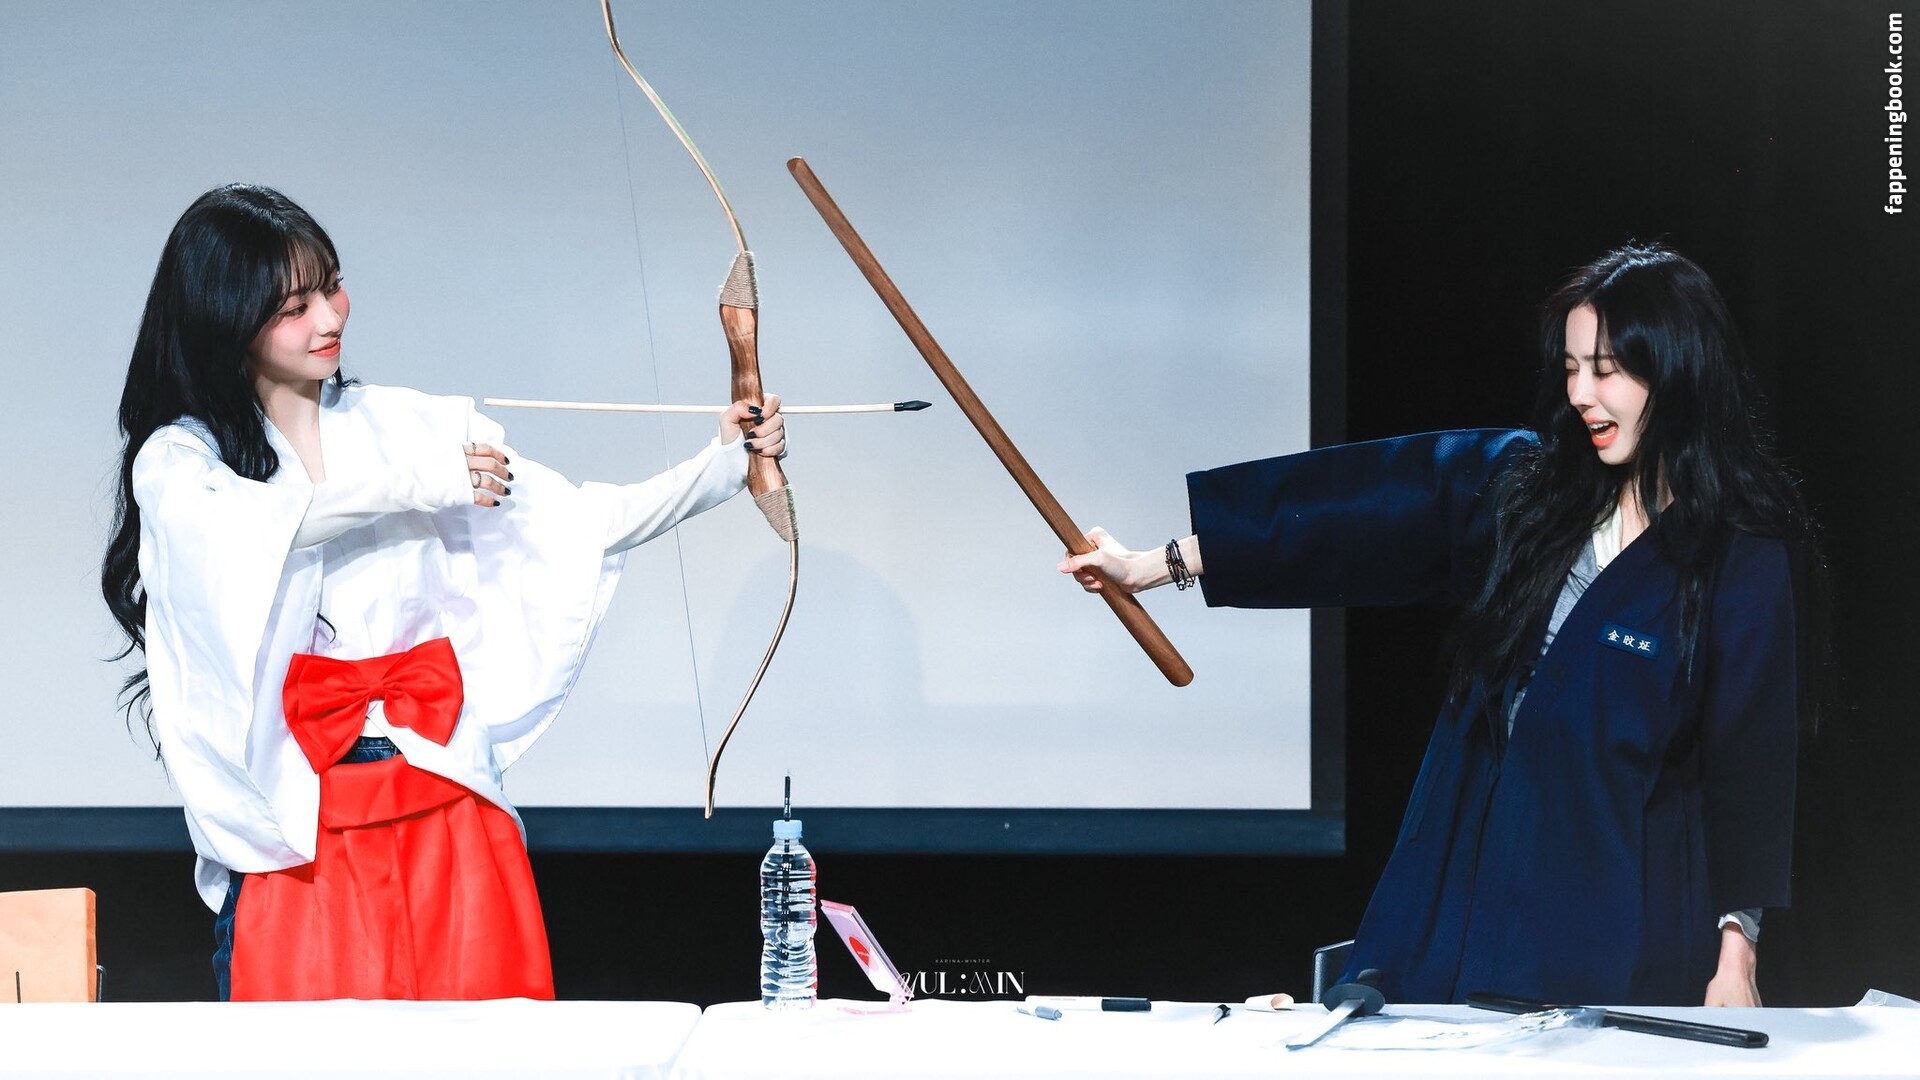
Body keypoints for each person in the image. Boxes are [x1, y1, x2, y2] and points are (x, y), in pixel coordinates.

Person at [1061, 243, 1819, 1007]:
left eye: (1606, 370)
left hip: (1616, 912)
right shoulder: (1525, 490)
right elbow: (1352, 514)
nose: (1582, 395)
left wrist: (1737, 957)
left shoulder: (1738, 553)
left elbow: (1751, 760)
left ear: (1677, 369)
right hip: (1460, 883)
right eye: (1570, 368)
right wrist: (1156, 563)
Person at [101, 184, 787, 1001]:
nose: (329, 318)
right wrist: (419, 482)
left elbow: (576, 522)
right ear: (226, 320)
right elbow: (268, 526)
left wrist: (723, 462)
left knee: (484, 1045)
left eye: (333, 286)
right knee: (301, 1054)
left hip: (441, 794)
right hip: (294, 831)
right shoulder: (182, 462)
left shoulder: (408, 426)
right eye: (293, 307)